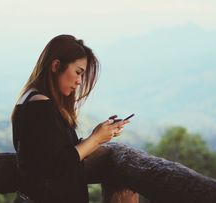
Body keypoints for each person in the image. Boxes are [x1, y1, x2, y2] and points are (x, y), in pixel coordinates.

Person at [10, 34, 130, 203]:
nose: (80, 81)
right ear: (56, 65)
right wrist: (95, 139)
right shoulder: (40, 107)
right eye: (78, 72)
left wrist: (98, 135)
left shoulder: (31, 101)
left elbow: (53, 154)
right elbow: (59, 166)